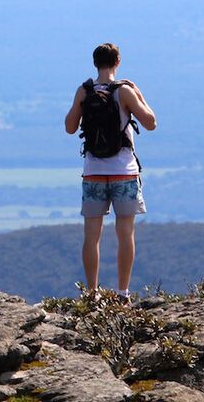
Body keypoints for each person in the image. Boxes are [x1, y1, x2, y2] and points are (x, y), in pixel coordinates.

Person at [64, 42, 156, 299]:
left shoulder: (84, 91)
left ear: (95, 63)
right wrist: (140, 95)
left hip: (93, 171)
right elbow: (150, 123)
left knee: (91, 235)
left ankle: (92, 292)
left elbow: (70, 127)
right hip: (124, 172)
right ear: (118, 62)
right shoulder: (124, 91)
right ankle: (122, 292)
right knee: (125, 233)